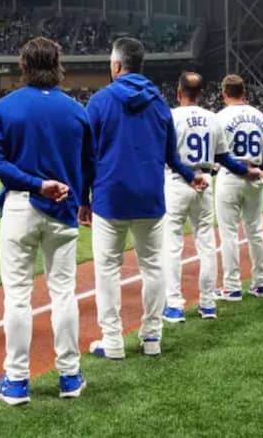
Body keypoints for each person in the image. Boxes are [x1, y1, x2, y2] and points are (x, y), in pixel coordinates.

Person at [0, 37, 93, 405]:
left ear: (24, 64)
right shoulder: (77, 110)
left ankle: (16, 382)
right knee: (63, 293)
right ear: (57, 63)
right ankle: (70, 377)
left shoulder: (6, 106)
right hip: (64, 208)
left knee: (17, 296)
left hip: (20, 207)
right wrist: (84, 201)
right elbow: (89, 165)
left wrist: (34, 184)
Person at [82, 37, 206, 359]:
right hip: (150, 197)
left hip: (110, 197)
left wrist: (82, 198)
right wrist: (191, 174)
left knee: (108, 269)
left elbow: (86, 157)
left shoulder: (100, 101)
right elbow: (172, 158)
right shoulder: (160, 104)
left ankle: (112, 341)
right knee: (153, 267)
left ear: (116, 65)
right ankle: (152, 337)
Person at [163, 72, 260, 322]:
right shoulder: (211, 118)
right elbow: (224, 158)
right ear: (202, 93)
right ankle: (207, 304)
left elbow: (162, 155)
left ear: (178, 92)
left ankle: (174, 305)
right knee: (205, 243)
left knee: (172, 245)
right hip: (205, 183)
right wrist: (245, 171)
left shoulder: (169, 116)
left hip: (177, 181)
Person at [215, 74, 263, 300]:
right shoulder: (260, 115)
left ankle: (231, 286)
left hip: (230, 174)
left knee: (229, 233)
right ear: (244, 92)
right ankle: (260, 283)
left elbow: (216, 154)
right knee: (255, 230)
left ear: (224, 93)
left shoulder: (220, 116)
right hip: (255, 174)